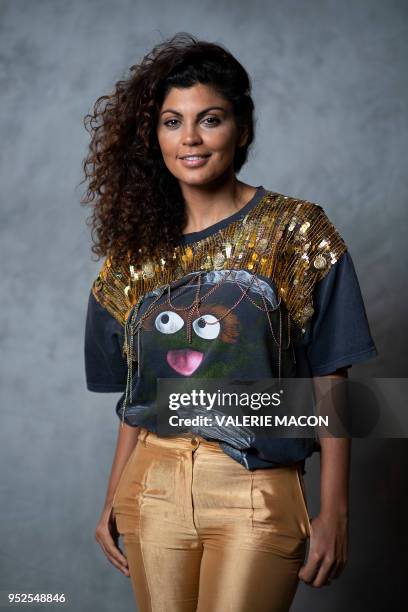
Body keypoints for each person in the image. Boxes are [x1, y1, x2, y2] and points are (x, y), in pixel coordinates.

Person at [82, 33, 378, 612]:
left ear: (241, 128)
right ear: (154, 137)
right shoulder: (131, 256)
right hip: (154, 485)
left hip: (256, 488)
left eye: (208, 119)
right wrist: (113, 496)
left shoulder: (297, 231)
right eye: (172, 121)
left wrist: (335, 509)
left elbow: (330, 378)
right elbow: (140, 396)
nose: (189, 137)